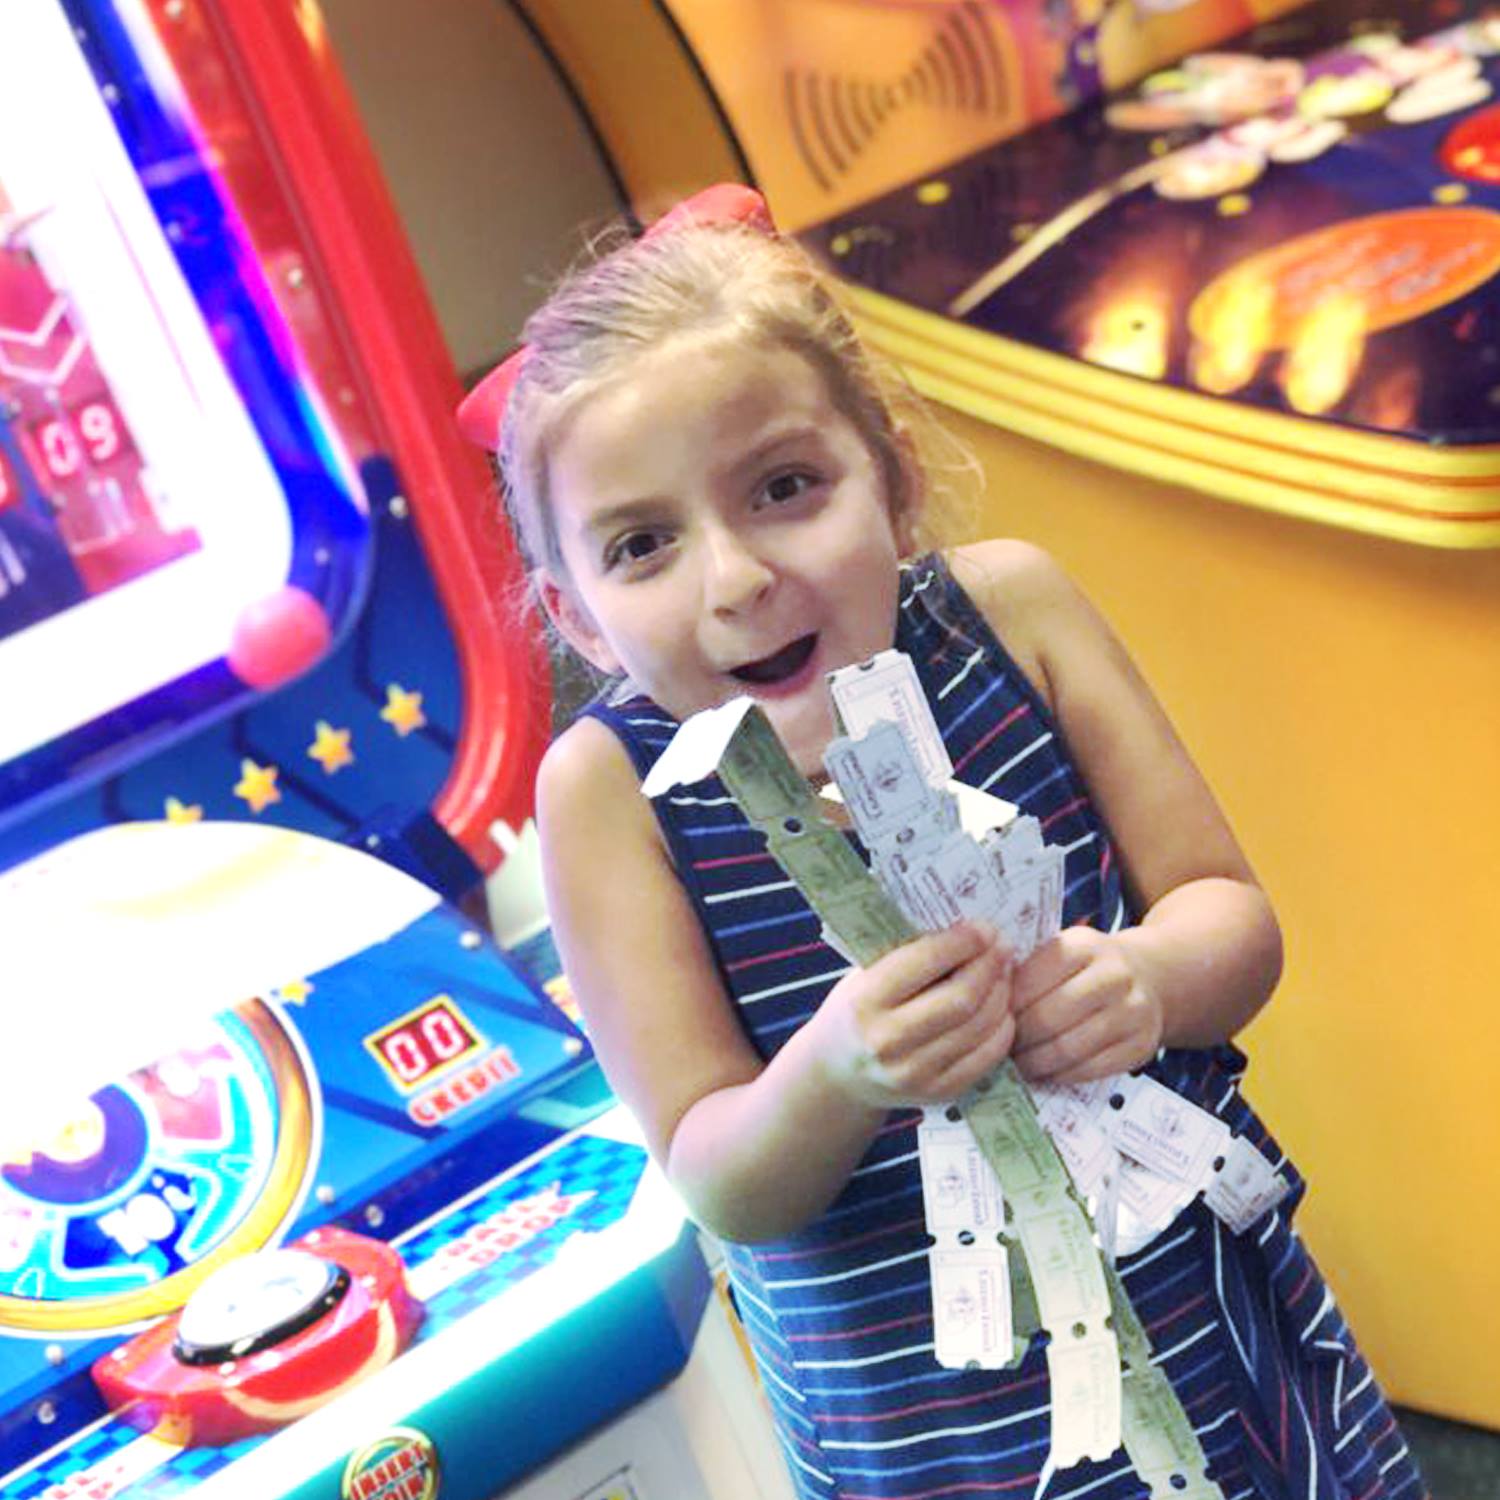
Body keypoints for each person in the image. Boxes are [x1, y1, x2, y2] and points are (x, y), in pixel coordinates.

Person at [458, 185, 1424, 1500]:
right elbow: (716, 1175)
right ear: (577, 617)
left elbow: (1227, 912)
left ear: (895, 481)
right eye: (643, 545)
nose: (734, 579)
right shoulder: (606, 797)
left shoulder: (1010, 615)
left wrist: (1144, 981)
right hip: (939, 1442)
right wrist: (839, 1070)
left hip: (1201, 1330)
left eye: (785, 488)